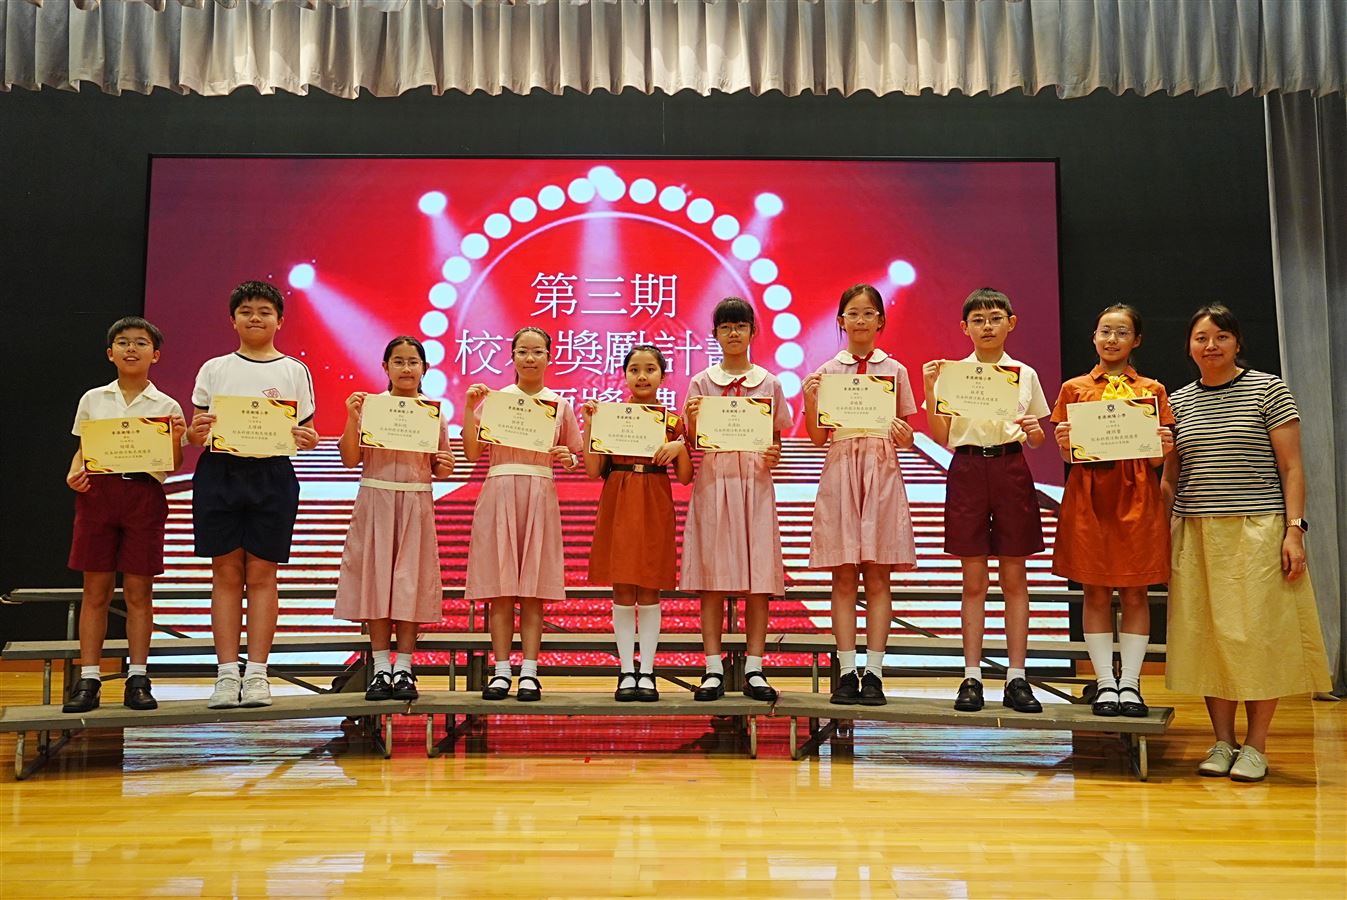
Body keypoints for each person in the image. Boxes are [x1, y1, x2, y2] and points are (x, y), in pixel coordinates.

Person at [1162, 304, 1331, 782]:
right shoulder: (1177, 402)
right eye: (1201, 337)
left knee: (1257, 638)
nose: (1210, 345)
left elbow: (1292, 467)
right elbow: (1170, 477)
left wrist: (1294, 530)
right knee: (1207, 636)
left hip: (1257, 530)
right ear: (1189, 346)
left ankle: (1256, 745)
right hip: (1195, 530)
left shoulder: (1268, 389)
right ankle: (1223, 741)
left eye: (1221, 336)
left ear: (1237, 342)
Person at [187, 281, 320, 709]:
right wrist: (195, 432)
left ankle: (258, 673)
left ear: (280, 320)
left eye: (265, 311)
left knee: (263, 575)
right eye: (246, 311)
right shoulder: (214, 368)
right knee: (225, 574)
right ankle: (227, 675)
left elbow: (307, 432)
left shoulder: (294, 370)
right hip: (220, 473)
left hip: (272, 475)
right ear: (233, 320)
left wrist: (307, 439)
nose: (255, 318)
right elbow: (197, 430)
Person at [922, 287, 1050, 714]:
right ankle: (972, 676)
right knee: (973, 581)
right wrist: (930, 387)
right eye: (978, 320)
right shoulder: (953, 375)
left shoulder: (1024, 374)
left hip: (1011, 468)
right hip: (967, 469)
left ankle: (1017, 677)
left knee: (1015, 578)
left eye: (995, 318)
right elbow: (941, 436)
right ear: (965, 328)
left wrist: (1035, 432)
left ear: (1011, 323)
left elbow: (1037, 438)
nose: (987, 326)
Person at [1051, 304, 1174, 717]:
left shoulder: (1153, 390)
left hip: (1137, 499)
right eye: (1105, 331)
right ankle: (1106, 682)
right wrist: (1065, 445)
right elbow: (1068, 455)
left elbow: (1156, 461)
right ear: (1094, 337)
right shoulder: (1074, 388)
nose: (1112, 339)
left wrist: (1162, 449)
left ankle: (1132, 684)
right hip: (1089, 498)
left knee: (1137, 592)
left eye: (1122, 332)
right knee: (1095, 590)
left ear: (1136, 340)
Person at [802, 284, 918, 707]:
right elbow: (818, 438)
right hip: (841, 470)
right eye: (853, 313)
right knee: (844, 575)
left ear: (880, 320)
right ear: (840, 321)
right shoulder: (827, 372)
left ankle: (875, 673)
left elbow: (907, 435)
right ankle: (847, 671)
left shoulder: (895, 370)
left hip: (881, 470)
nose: (861, 320)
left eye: (869, 313)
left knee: (878, 574)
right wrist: (810, 398)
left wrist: (904, 436)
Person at [63, 316, 187, 713]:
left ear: (156, 355)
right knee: (95, 591)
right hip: (98, 494)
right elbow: (84, 449)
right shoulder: (93, 399)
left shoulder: (166, 405)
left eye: (140, 342)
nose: (131, 348)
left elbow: (173, 463)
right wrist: (73, 472)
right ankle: (89, 679)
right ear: (110, 353)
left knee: (139, 592)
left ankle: (138, 677)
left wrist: (176, 437)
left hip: (143, 495)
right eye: (123, 342)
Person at [462, 326, 583, 702]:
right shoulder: (495, 401)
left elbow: (574, 456)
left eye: (537, 352)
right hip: (499, 491)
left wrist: (567, 457)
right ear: (512, 356)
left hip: (539, 494)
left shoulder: (559, 404)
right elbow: (471, 454)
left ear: (550, 357)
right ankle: (501, 672)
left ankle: (529, 672)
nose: (530, 358)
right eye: (523, 352)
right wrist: (468, 408)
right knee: (500, 591)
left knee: (533, 591)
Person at [682, 298, 793, 702]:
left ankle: (755, 668)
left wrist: (774, 455)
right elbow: (690, 440)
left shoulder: (769, 383)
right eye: (726, 327)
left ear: (752, 332)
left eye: (740, 326)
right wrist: (692, 418)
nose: (733, 333)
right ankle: (712, 669)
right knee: (711, 581)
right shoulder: (701, 383)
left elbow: (776, 440)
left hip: (755, 484)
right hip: (714, 483)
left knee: (758, 580)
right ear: (715, 334)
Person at [334, 336, 454, 702]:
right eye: (398, 361)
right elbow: (349, 459)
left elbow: (441, 468)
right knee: (376, 582)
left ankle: (404, 666)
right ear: (385, 367)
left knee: (408, 584)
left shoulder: (432, 413)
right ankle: (380, 668)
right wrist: (352, 417)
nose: (406, 368)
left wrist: (445, 463)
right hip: (377, 501)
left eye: (413, 362)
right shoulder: (370, 408)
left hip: (415, 503)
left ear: (424, 369)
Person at [581, 345, 693, 702]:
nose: (642, 376)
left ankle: (647, 671)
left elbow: (686, 477)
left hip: (654, 500)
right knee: (622, 588)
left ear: (663, 375)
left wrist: (680, 447)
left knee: (649, 588)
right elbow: (593, 470)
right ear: (625, 375)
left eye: (650, 369)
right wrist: (589, 427)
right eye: (634, 370)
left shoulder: (672, 421)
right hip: (618, 498)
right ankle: (626, 670)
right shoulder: (610, 416)